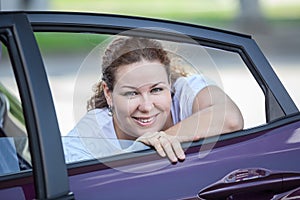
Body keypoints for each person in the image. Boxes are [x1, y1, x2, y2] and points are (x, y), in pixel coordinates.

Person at [63, 36, 244, 164]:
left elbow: (230, 118)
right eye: (131, 93)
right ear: (108, 93)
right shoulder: (89, 135)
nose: (147, 106)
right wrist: (137, 151)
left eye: (156, 89)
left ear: (170, 83)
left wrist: (159, 140)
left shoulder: (184, 92)